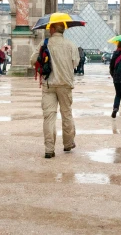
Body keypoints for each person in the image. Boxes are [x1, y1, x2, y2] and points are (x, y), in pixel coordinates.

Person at [30, 22, 80, 159]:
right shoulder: (71, 44)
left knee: (49, 116)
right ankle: (68, 143)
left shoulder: (44, 43)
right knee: (66, 114)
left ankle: (49, 149)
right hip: (65, 84)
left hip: (48, 84)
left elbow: (33, 60)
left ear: (52, 29)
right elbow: (76, 62)